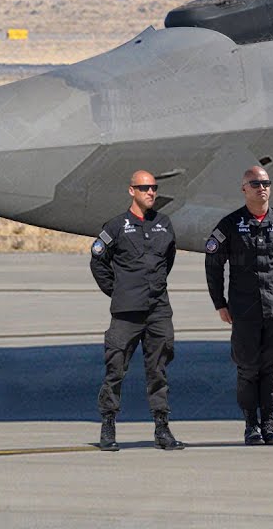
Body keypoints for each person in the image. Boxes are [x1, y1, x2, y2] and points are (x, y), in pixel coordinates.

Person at [205, 166, 273, 445]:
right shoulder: (229, 225)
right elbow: (213, 265)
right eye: (255, 183)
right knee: (248, 367)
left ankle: (269, 425)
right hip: (244, 310)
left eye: (266, 183)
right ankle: (251, 425)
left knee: (272, 368)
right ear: (244, 189)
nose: (262, 187)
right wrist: (220, 303)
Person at [89, 169, 184, 451]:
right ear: (132, 191)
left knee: (159, 370)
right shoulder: (116, 226)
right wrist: (118, 291)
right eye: (144, 189)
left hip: (158, 310)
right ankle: (108, 424)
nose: (150, 193)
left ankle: (162, 428)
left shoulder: (164, 224)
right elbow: (98, 262)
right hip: (126, 312)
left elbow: (168, 260)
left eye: (153, 188)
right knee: (115, 368)